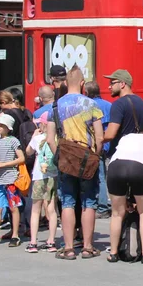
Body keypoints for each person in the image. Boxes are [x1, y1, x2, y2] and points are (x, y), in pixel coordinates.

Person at [46, 66, 104, 259]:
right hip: (87, 158)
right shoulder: (91, 105)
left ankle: (69, 248)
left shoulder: (55, 106)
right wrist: (95, 156)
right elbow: (100, 137)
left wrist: (59, 157)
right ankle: (87, 247)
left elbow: (49, 138)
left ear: (65, 83)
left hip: (66, 159)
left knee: (68, 202)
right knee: (89, 201)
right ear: (82, 84)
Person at [106, 131, 143, 264]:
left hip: (115, 166)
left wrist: (126, 200)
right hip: (138, 168)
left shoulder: (126, 138)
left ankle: (113, 253)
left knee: (116, 214)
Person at [0, 113, 25, 248]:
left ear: (8, 128)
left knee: (13, 207)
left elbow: (21, 158)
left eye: (2, 126)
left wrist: (3, 164)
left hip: (10, 179)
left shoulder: (13, 141)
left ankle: (15, 234)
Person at [25, 113, 59, 253]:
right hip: (53, 175)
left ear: (43, 125)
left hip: (39, 176)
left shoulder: (38, 138)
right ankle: (51, 241)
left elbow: (28, 152)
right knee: (51, 210)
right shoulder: (57, 139)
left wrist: (33, 136)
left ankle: (33, 242)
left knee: (36, 209)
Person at [85, 80, 113, 219]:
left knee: (100, 177)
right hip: (110, 144)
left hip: (98, 145)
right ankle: (108, 203)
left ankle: (102, 207)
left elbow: (96, 130)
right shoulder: (109, 105)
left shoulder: (91, 106)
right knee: (107, 177)